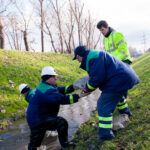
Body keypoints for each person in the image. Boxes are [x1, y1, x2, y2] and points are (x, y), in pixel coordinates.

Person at [73, 46, 140, 140]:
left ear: (78, 56)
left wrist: (86, 89)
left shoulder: (93, 59)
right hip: (125, 77)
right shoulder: (94, 55)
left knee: (103, 105)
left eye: (77, 59)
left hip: (119, 80)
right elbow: (99, 77)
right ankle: (125, 112)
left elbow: (96, 80)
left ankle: (106, 134)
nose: (78, 61)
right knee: (117, 96)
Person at [23, 66, 83, 150]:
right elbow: (62, 99)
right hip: (38, 120)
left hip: (37, 117)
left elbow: (59, 90)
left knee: (35, 142)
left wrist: (72, 87)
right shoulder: (47, 91)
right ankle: (65, 146)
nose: (56, 78)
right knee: (61, 122)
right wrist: (79, 95)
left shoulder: (46, 86)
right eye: (54, 76)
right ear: (48, 78)